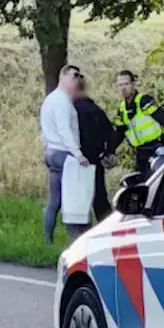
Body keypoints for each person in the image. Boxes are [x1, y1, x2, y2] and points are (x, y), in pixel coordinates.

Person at [39, 65, 90, 244]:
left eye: (79, 75)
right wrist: (78, 154)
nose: (77, 79)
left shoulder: (49, 100)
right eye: (74, 75)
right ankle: (75, 241)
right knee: (71, 201)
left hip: (52, 152)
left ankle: (48, 241)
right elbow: (64, 129)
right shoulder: (62, 101)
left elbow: (44, 129)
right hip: (64, 153)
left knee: (54, 201)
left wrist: (46, 147)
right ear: (63, 76)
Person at [73, 76, 118, 223]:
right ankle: (109, 227)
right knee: (100, 198)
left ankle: (83, 231)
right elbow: (110, 131)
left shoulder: (73, 111)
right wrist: (108, 152)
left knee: (80, 200)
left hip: (78, 159)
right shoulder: (95, 109)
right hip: (96, 158)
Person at [114, 70, 164, 173]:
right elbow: (119, 134)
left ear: (133, 84)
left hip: (157, 148)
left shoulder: (144, 101)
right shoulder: (121, 109)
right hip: (140, 152)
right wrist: (108, 151)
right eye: (120, 85)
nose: (123, 88)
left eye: (126, 84)